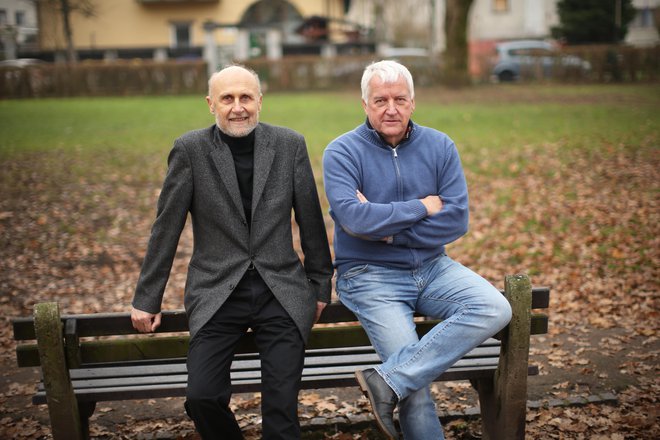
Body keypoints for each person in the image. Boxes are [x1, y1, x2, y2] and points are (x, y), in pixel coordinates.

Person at [131, 65, 333, 439]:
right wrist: (147, 297)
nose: (238, 107)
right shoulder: (190, 150)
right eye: (228, 98)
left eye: (246, 97)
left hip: (281, 291)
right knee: (202, 397)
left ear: (260, 100)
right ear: (211, 104)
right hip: (217, 290)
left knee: (281, 412)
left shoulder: (289, 145)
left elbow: (310, 218)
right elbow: (167, 226)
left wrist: (320, 285)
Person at [322, 60, 512, 439]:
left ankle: (386, 382)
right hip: (368, 275)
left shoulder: (440, 146)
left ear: (413, 102)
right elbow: (356, 221)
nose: (390, 108)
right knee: (416, 385)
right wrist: (423, 207)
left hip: (433, 266)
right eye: (380, 100)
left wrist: (387, 231)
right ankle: (397, 382)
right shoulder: (341, 152)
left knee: (495, 307)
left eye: (399, 99)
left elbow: (456, 221)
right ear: (364, 104)